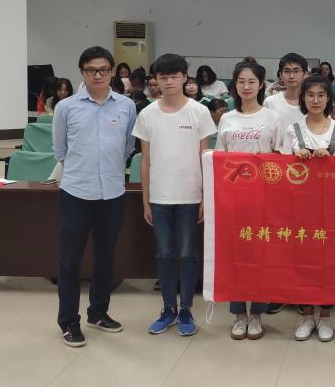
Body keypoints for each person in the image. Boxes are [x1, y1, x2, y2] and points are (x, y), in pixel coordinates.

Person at [53, 46, 138, 348]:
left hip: (112, 193)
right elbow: (60, 150)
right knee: (69, 260)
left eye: (103, 69)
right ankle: (68, 321)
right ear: (82, 72)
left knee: (105, 257)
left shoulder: (127, 106)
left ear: (112, 71)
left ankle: (98, 312)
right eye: (91, 70)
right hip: (76, 192)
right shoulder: (66, 107)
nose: (98, 75)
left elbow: (128, 147)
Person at [133, 54, 215, 338]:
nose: (168, 81)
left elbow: (205, 157)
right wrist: (145, 199)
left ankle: (186, 310)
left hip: (191, 196)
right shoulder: (147, 114)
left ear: (184, 78)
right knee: (165, 254)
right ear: (156, 80)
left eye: (174, 76)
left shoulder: (199, 112)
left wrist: (205, 197)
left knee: (188, 254)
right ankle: (168, 309)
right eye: (163, 77)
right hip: (159, 197)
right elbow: (145, 161)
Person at [279, 75, 335, 342]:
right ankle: (306, 314)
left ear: (329, 98)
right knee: (302, 261)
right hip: (300, 208)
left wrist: (331, 161)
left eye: (321, 95)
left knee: (329, 262)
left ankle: (325, 316)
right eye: (310, 95)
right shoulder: (292, 130)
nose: (316, 100)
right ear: (303, 98)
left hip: (332, 208)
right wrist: (294, 158)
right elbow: (281, 170)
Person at [215, 60, 281, 340]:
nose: (246, 86)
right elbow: (219, 158)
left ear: (261, 84)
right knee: (236, 255)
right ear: (235, 84)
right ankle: (239, 313)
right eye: (241, 81)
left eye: (252, 81)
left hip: (263, 197)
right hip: (233, 196)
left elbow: (279, 157)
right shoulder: (227, 119)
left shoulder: (272, 118)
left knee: (260, 254)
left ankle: (257, 313)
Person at [263, 53, 307, 127]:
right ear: (281, 75)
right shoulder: (270, 102)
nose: (291, 76)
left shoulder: (312, 102)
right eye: (287, 71)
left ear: (304, 74)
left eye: (296, 71)